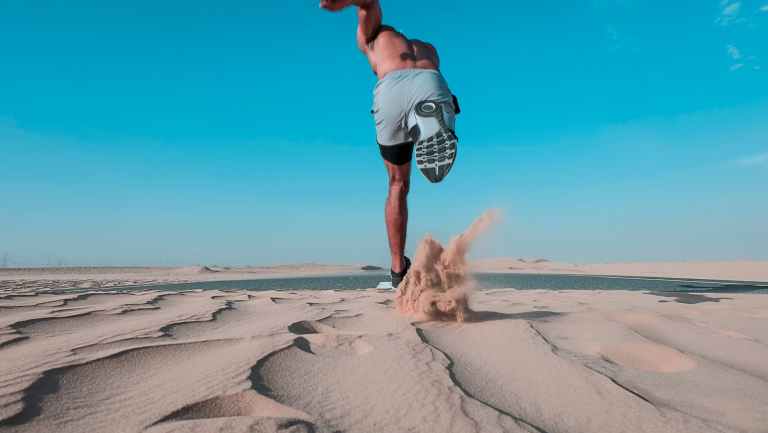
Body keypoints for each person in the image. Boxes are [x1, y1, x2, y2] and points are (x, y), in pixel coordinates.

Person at [321, 0, 460, 287]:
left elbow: (368, 3)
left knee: (397, 184)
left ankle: (398, 269)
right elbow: (447, 92)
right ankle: (431, 123)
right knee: (441, 108)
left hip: (390, 90)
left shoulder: (375, 36)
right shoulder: (428, 48)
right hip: (431, 84)